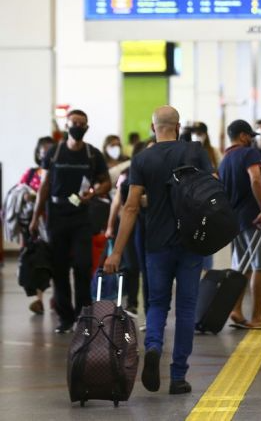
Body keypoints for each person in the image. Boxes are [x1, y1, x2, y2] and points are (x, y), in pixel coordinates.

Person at [103, 106, 213, 395]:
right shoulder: (195, 152)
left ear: (154, 128)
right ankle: (178, 376)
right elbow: (213, 190)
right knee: (187, 307)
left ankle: (153, 347)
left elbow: (129, 207)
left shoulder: (141, 159)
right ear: (177, 127)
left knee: (157, 303)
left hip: (156, 243)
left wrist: (116, 252)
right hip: (192, 241)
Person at [29, 110, 111, 334]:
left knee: (83, 266)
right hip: (56, 215)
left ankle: (83, 315)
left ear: (87, 127)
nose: (78, 126)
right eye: (74, 122)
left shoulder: (92, 154)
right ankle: (65, 318)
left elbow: (106, 182)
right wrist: (36, 217)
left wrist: (93, 193)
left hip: (82, 216)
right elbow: (44, 186)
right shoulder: (54, 153)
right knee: (59, 268)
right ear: (66, 125)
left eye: (82, 123)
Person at [218, 120, 261, 329]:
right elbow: (255, 179)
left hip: (235, 220)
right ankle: (257, 316)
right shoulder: (249, 153)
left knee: (242, 268)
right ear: (244, 136)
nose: (252, 140)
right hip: (254, 218)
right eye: (250, 136)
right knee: (260, 266)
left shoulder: (225, 159)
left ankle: (236, 310)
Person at [105, 141, 150, 315]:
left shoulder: (155, 174)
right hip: (129, 225)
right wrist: (110, 226)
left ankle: (148, 309)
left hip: (147, 225)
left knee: (147, 268)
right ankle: (132, 302)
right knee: (131, 265)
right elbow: (117, 202)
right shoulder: (127, 174)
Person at [17, 136, 55, 314]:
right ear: (38, 153)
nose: (46, 154)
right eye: (43, 151)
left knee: (56, 261)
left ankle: (57, 297)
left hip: (54, 222)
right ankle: (39, 299)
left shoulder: (58, 172)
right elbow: (19, 192)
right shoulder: (31, 173)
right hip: (34, 225)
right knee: (39, 260)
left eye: (50, 150)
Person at [191, 122, 221, 272]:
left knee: (207, 237)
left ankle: (207, 271)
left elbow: (219, 174)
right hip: (190, 203)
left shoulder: (213, 152)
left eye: (200, 133)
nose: (197, 136)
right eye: (195, 133)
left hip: (208, 203)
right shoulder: (186, 151)